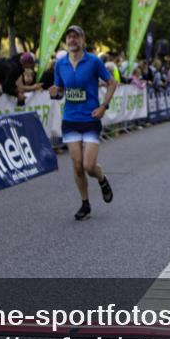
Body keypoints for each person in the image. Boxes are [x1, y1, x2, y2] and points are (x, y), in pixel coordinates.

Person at [49, 25, 118, 221]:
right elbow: (60, 91)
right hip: (70, 120)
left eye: (76, 37)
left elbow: (112, 83)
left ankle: (101, 178)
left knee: (89, 166)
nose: (72, 40)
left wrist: (104, 106)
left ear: (83, 40)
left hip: (90, 119)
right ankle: (85, 204)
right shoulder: (60, 64)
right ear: (66, 41)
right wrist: (55, 93)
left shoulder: (94, 61)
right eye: (69, 37)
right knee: (77, 166)